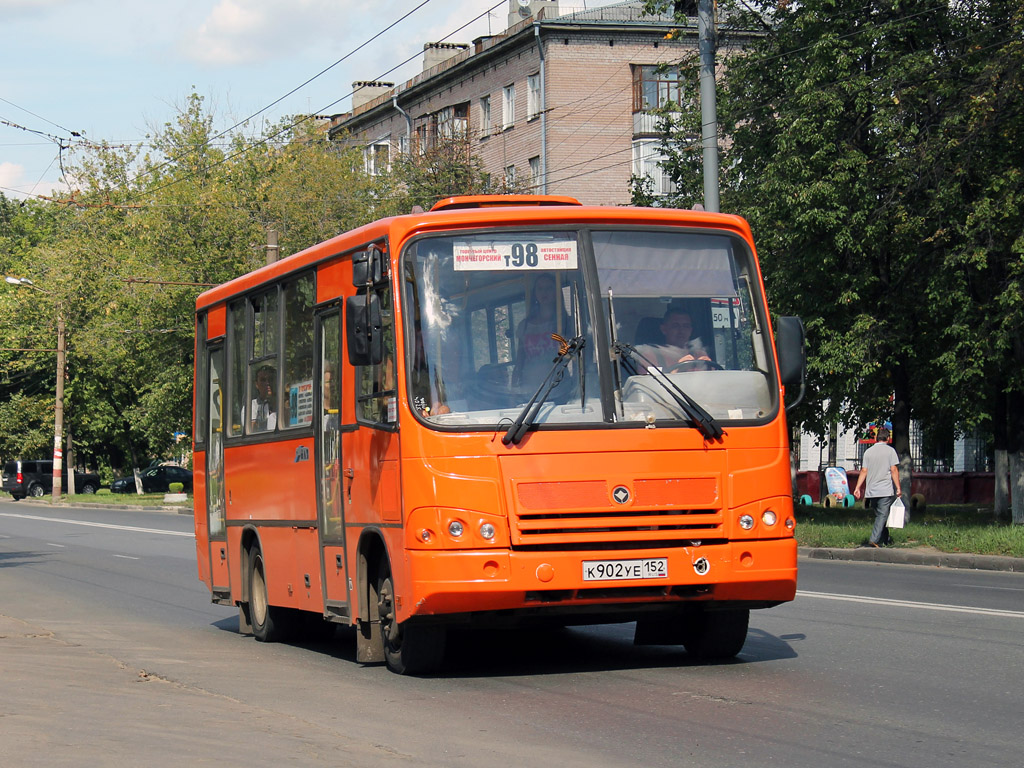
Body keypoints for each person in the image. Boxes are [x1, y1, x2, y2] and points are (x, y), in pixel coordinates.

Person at [512, 274, 570, 388]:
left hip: (558, 386)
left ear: (556, 292)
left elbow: (572, 355)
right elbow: (519, 361)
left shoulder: (565, 323)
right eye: (540, 288)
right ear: (535, 293)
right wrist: (513, 389)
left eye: (549, 288)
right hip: (530, 387)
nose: (544, 292)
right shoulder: (524, 326)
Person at [853, 426, 902, 547]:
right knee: (882, 515)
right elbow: (894, 470)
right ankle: (874, 539)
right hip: (885, 490)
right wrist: (898, 488)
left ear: (876, 438)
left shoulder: (868, 452)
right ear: (888, 438)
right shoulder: (890, 451)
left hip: (871, 491)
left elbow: (864, 471)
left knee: (881, 515)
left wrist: (857, 487)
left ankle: (885, 540)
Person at [249, 364, 277, 432]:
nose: (267, 383)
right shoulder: (250, 407)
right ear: (256, 384)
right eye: (263, 380)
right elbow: (251, 431)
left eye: (270, 379)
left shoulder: (283, 404)